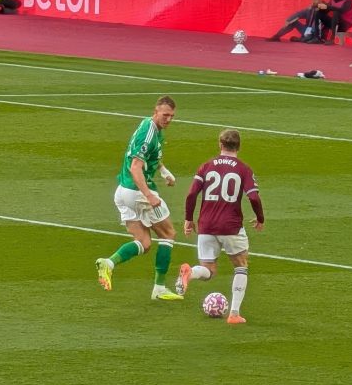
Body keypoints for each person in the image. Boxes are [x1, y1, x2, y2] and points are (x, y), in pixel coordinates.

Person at [95, 96, 185, 301]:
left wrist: (163, 171)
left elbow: (152, 156)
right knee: (168, 234)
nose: (168, 119)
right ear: (156, 111)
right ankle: (159, 288)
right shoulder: (149, 134)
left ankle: (108, 263)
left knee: (144, 243)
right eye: (165, 115)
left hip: (122, 191)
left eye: (172, 116)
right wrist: (149, 195)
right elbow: (136, 166)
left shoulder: (150, 125)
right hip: (137, 192)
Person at [178, 128, 265, 325]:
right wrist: (260, 218)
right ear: (239, 146)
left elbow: (191, 194)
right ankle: (234, 314)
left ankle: (190, 272)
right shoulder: (243, 169)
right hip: (231, 226)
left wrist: (188, 219)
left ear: (220, 144)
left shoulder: (206, 166)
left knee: (208, 270)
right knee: (241, 266)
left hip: (206, 225)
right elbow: (253, 196)